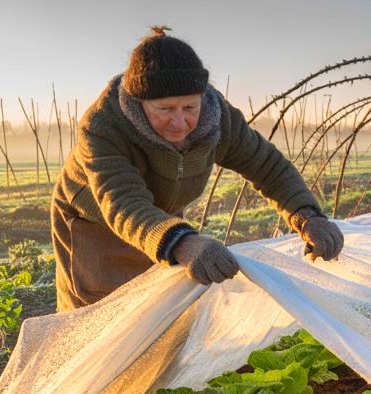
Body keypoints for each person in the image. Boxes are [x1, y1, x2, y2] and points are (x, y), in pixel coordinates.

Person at [50, 26, 343, 311]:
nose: (179, 123)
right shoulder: (103, 125)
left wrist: (306, 216)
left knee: (166, 308)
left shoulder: (217, 117)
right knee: (106, 313)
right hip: (95, 222)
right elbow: (124, 204)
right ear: (139, 104)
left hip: (161, 215)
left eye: (189, 108)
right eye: (164, 110)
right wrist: (183, 243)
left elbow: (266, 165)